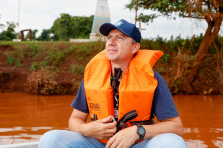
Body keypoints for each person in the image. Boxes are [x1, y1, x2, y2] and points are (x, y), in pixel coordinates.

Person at [39, 19, 187, 148]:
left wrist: (138, 131)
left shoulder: (152, 79)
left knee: (174, 143)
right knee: (50, 139)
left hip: (139, 144)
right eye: (109, 37)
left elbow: (176, 127)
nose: (111, 41)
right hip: (98, 144)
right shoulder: (93, 78)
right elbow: (74, 120)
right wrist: (86, 129)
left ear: (135, 47)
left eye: (120, 38)